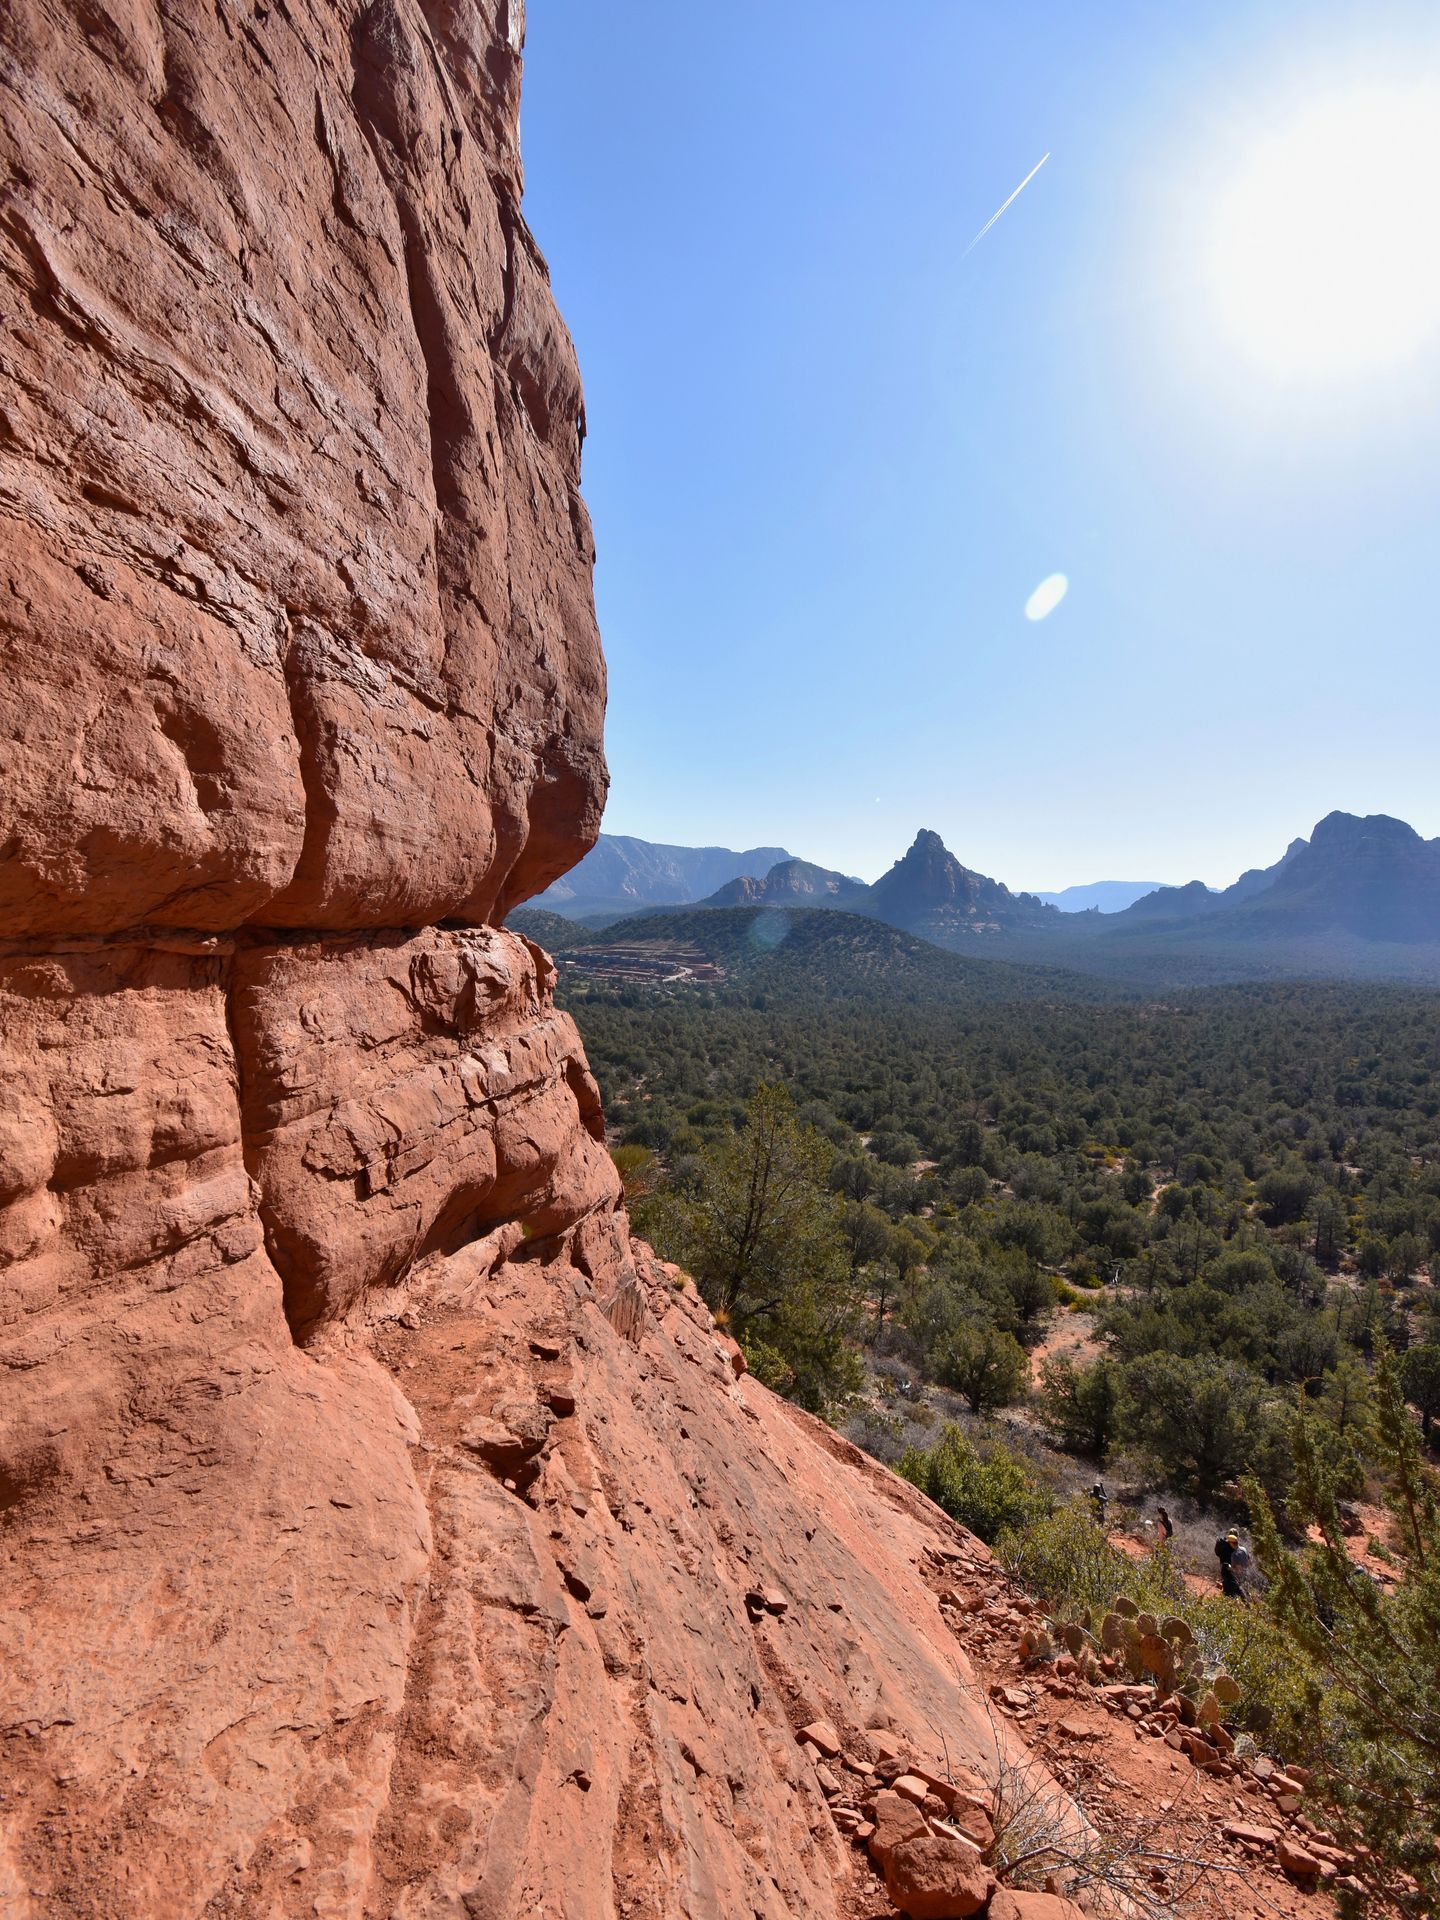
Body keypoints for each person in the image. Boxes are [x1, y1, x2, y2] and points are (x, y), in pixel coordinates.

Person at [1215, 1529, 1247, 1602]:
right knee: (1236, 1587)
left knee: (1229, 1587)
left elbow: (1217, 1553)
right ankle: (1243, 1604)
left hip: (1224, 1567)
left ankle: (1234, 1602)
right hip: (1233, 1569)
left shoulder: (1221, 1543)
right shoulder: (1234, 1546)